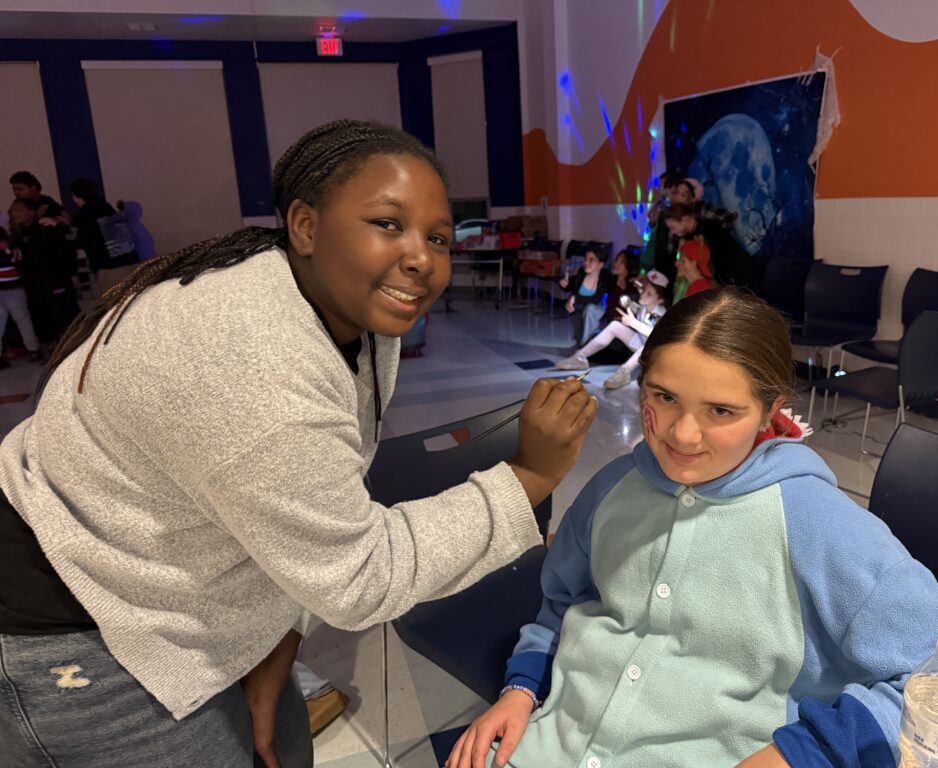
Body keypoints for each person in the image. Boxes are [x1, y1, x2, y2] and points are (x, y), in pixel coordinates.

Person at [0, 120, 598, 768]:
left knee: (283, 746)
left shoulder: (337, 305)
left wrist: (272, 638)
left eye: (437, 237)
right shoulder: (254, 365)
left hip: (186, 580)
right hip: (86, 621)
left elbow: (309, 498)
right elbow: (358, 574)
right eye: (387, 223)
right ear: (306, 225)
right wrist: (529, 477)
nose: (422, 258)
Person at [448, 288, 938, 768]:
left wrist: (808, 751)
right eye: (663, 397)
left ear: (771, 410)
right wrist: (522, 687)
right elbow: (562, 602)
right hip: (547, 744)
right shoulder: (612, 488)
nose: (682, 434)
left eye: (721, 411)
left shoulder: (816, 522)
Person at [555, 271, 672, 392]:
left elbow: (656, 335)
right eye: (644, 290)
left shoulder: (661, 313)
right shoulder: (646, 306)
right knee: (615, 326)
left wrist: (634, 323)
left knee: (648, 345)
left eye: (649, 294)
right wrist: (629, 305)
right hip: (640, 344)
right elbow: (641, 312)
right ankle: (580, 357)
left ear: (660, 300)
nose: (643, 294)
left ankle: (624, 372)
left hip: (655, 353)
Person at [6, 198, 80, 345]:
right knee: (42, 316)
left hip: (54, 280)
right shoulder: (17, 236)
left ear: (31, 212)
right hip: (33, 284)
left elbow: (66, 251)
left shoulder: (46, 228)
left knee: (63, 314)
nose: (14, 214)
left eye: (19, 210)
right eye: (13, 210)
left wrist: (72, 273)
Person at [665, 202, 763, 293]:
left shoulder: (709, 227)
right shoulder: (690, 237)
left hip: (738, 272)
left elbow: (722, 257)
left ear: (684, 219)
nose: (672, 232)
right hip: (729, 278)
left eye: (673, 228)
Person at [69, 177, 140, 295]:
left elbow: (77, 241)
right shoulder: (108, 208)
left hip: (109, 267)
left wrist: (61, 226)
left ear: (78, 196)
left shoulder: (84, 216)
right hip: (130, 262)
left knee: (115, 302)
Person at [0, 226, 42, 367]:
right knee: (22, 318)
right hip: (12, 287)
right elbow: (17, 256)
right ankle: (33, 349)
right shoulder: (7, 248)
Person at [559, 248, 613, 348]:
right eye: (585, 259)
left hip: (597, 309)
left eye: (591, 260)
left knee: (589, 309)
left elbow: (596, 299)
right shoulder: (581, 273)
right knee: (581, 341)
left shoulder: (606, 277)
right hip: (578, 309)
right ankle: (585, 345)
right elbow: (570, 287)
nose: (586, 263)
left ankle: (584, 350)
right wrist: (564, 285)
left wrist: (575, 298)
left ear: (600, 264)